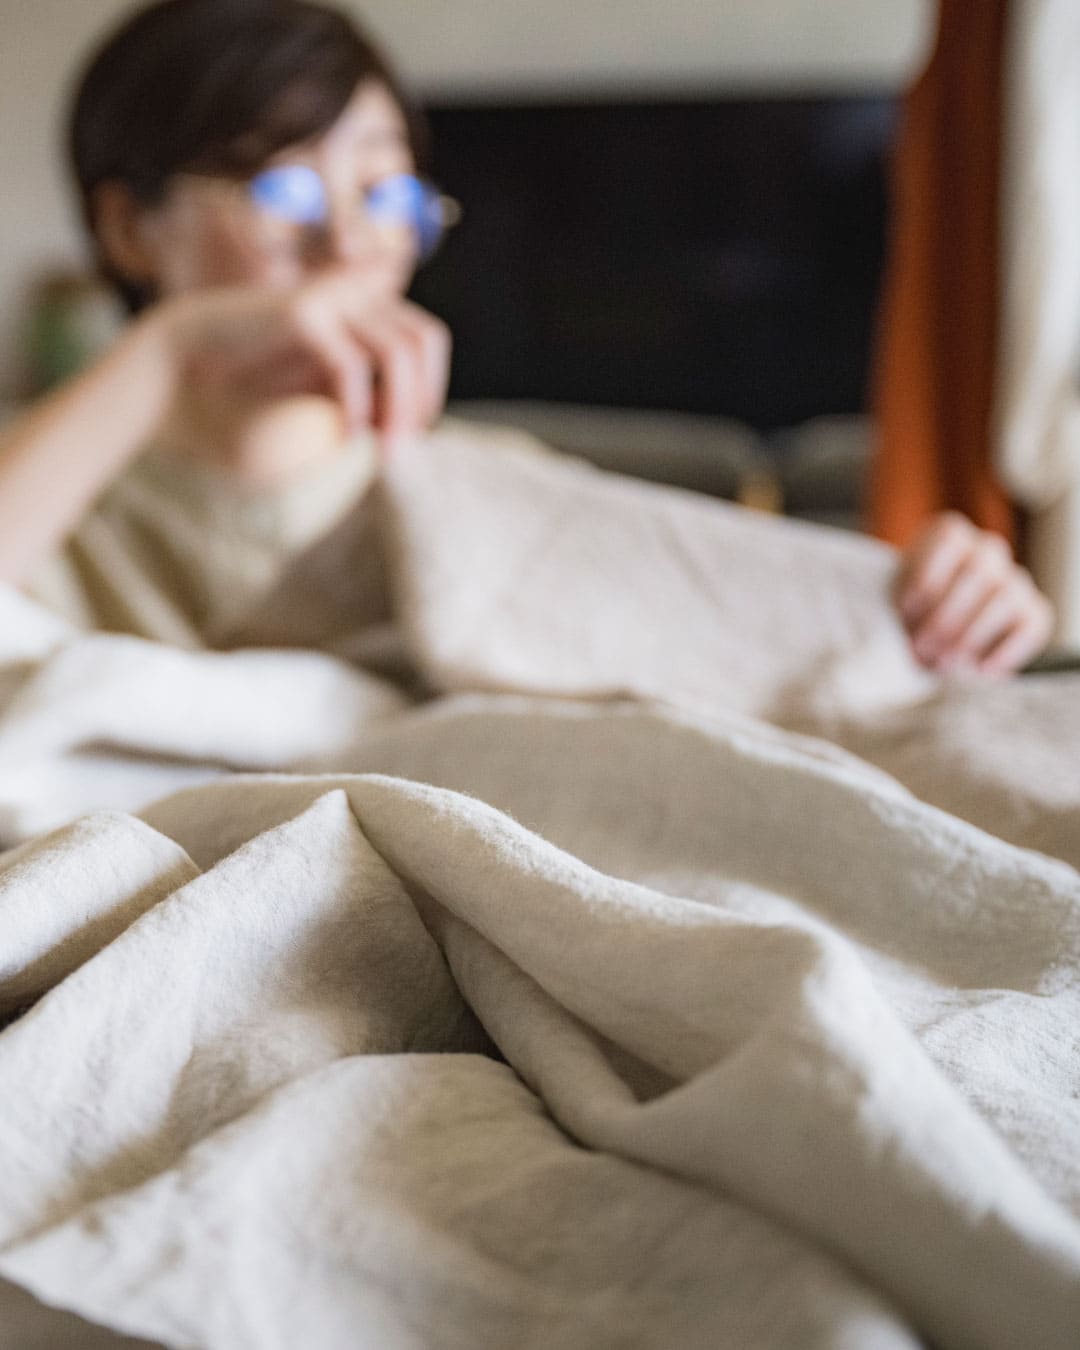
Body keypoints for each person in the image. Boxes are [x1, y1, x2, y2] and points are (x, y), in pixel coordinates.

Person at [0, 0, 1054, 672]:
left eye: (383, 186)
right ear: (128, 229)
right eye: (278, 184)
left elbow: (742, 645)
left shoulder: (494, 495)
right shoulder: (50, 495)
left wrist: (944, 600)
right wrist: (171, 350)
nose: (347, 240)